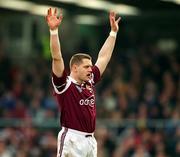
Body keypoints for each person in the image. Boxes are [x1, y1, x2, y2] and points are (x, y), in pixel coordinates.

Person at [45, 7, 121, 157]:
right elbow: (57, 58)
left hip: (90, 139)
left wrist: (113, 33)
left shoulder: (90, 80)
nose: (90, 69)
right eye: (86, 66)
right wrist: (53, 32)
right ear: (74, 67)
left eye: (90, 67)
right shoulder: (64, 84)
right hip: (72, 139)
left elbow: (103, 57)